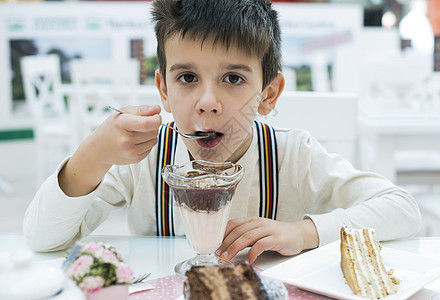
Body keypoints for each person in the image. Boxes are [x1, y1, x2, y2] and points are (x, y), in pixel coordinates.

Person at [23, 0, 421, 264]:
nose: (207, 101)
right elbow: (44, 239)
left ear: (268, 94)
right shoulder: (142, 161)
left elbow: (402, 209)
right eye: (187, 77)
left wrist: (305, 231)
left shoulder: (292, 156)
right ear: (163, 89)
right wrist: (93, 156)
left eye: (232, 77)